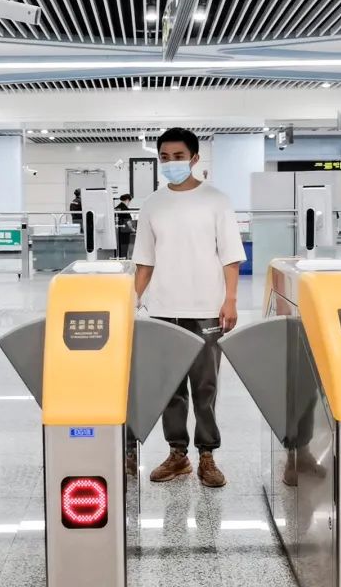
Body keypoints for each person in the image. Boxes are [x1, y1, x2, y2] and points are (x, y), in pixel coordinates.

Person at [131, 127, 246, 488]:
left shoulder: (216, 200)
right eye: (164, 157)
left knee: (205, 386)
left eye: (178, 156)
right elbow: (144, 261)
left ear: (194, 158)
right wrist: (130, 301)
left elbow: (230, 256)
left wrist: (230, 299)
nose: (171, 163)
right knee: (171, 387)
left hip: (207, 308)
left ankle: (207, 455)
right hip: (163, 308)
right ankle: (177, 454)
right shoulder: (153, 204)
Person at [115, 194, 134, 259]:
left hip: (118, 232)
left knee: (119, 247)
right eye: (129, 202)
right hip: (124, 231)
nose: (129, 203)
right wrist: (132, 229)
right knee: (124, 248)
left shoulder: (117, 207)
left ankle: (120, 258)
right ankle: (124, 259)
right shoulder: (125, 209)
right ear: (127, 200)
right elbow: (128, 221)